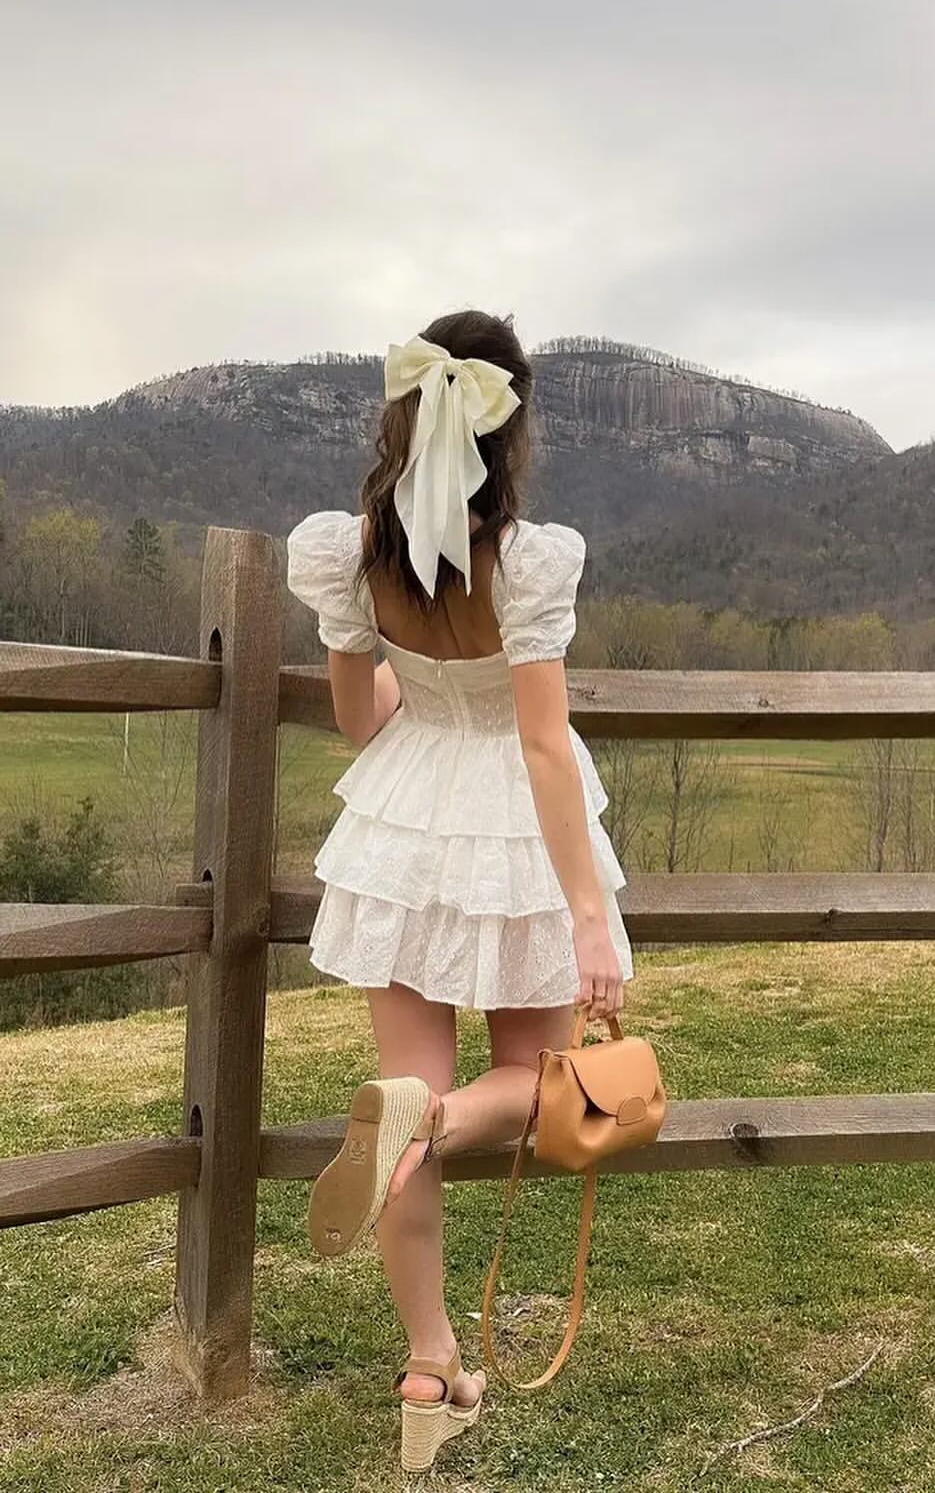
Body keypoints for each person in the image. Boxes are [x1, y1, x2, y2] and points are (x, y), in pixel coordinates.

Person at [283, 309, 632, 1471]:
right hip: (510, 831)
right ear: (511, 427)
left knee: (408, 1089)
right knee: (539, 1084)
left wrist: (417, 722)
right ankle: (423, 1125)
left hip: (403, 818)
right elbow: (540, 746)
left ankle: (430, 1362)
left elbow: (350, 713)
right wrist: (592, 919)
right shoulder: (524, 561)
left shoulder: (355, 552)